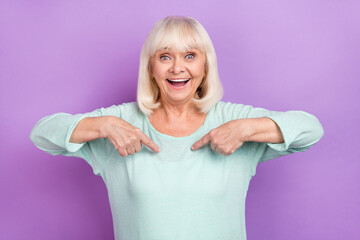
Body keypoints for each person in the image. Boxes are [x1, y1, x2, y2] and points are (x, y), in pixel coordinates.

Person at [30, 15, 324, 240]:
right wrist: (103, 125)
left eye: (190, 56)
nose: (177, 68)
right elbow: (42, 134)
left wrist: (246, 129)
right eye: (165, 56)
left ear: (205, 66)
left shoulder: (233, 118)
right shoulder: (121, 122)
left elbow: (310, 130)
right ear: (151, 67)